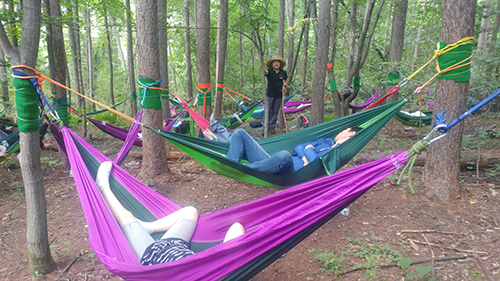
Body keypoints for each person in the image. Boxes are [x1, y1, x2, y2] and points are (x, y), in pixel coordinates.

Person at [95, 161, 245, 265]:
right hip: (177, 245)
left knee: (126, 216)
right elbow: (237, 226)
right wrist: (228, 256)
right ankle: (149, 227)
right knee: (190, 211)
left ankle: (103, 186)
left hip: (152, 256)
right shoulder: (217, 270)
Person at [227, 127, 361, 175]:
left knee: (285, 155)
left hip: (290, 171)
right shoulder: (326, 141)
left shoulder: (338, 152)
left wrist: (309, 151)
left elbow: (316, 164)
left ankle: (241, 169)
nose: (341, 131)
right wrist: (305, 157)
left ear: (351, 133)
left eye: (345, 129)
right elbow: (299, 147)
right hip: (271, 162)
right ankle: (231, 165)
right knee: (239, 133)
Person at [263, 56, 288, 135]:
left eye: (278, 62)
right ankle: (264, 127)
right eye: (274, 63)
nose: (276, 64)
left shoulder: (283, 72)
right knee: (267, 111)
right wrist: (262, 67)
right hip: (270, 95)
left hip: (279, 95)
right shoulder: (269, 71)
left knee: (275, 111)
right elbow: (265, 72)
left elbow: (286, 79)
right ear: (272, 64)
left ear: (280, 64)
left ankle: (272, 127)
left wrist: (284, 86)